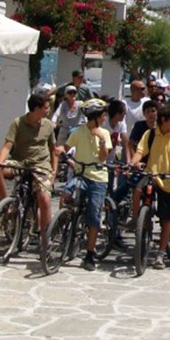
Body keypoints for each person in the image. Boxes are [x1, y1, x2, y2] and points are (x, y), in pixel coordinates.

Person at [0, 92, 57, 238]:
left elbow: (54, 150)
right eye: (45, 108)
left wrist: (54, 171)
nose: (48, 111)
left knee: (44, 199)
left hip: (41, 166)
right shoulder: (18, 123)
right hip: (20, 162)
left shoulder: (48, 126)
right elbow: (8, 146)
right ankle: (5, 206)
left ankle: (46, 239)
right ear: (36, 109)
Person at [64, 99, 112, 271]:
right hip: (80, 173)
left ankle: (90, 254)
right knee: (66, 193)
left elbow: (103, 158)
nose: (105, 118)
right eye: (103, 115)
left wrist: (101, 141)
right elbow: (66, 148)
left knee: (94, 214)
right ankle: (65, 222)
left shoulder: (104, 134)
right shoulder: (78, 132)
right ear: (96, 117)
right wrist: (67, 159)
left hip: (98, 177)